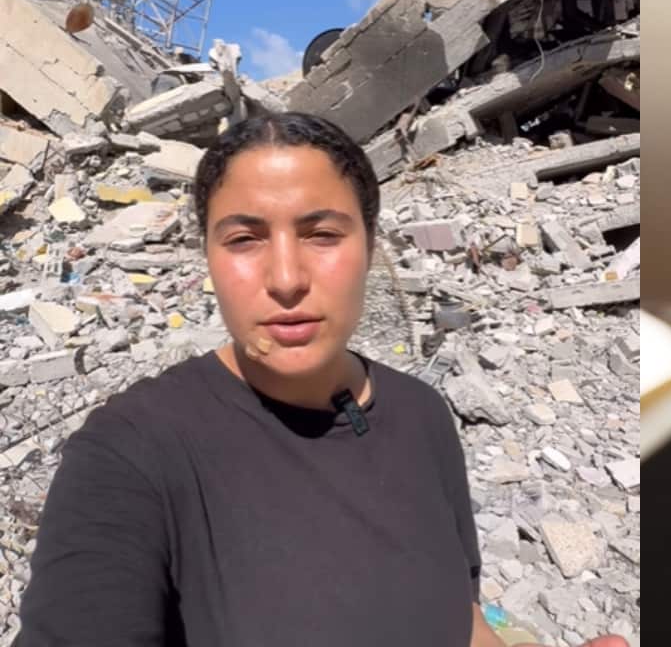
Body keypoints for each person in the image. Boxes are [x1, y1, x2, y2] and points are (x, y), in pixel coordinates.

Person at [15, 112, 628, 647]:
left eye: (323, 234)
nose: (286, 278)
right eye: (245, 239)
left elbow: (458, 618)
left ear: (370, 245)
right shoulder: (130, 454)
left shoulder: (421, 414)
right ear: (207, 256)